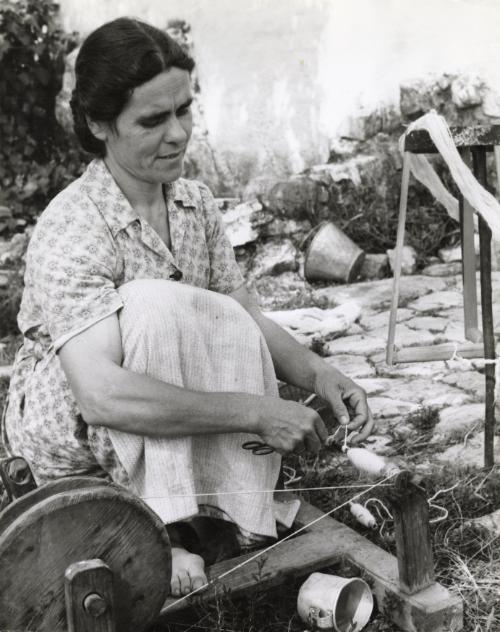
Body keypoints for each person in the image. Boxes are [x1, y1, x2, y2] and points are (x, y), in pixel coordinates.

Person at [2, 17, 374, 597]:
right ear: (100, 124)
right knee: (152, 305)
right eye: (153, 120)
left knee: (214, 315)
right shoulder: (73, 224)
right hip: (78, 444)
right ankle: (168, 525)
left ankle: (219, 505)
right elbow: (100, 395)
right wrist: (256, 413)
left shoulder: (193, 202)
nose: (178, 134)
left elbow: (245, 316)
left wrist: (319, 373)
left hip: (149, 409)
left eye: (184, 110)